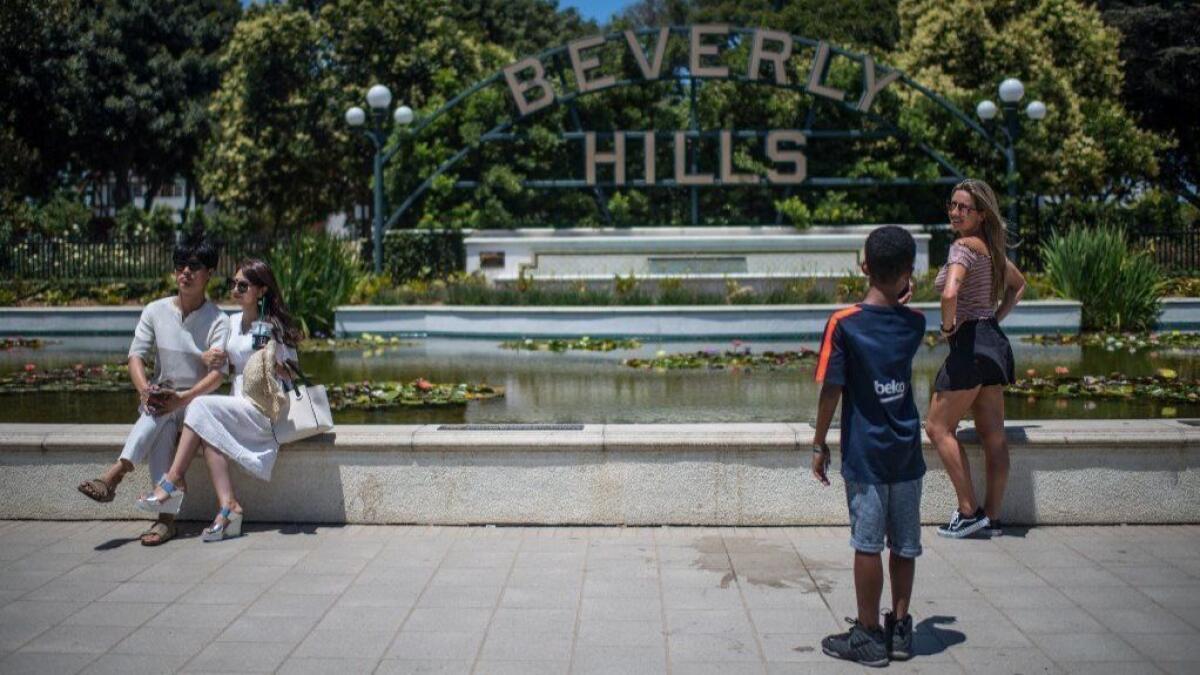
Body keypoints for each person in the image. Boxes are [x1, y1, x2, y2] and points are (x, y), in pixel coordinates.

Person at [812, 225, 926, 667]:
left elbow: (831, 390)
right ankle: (900, 629)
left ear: (864, 267)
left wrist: (819, 443)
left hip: (865, 454)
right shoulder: (914, 323)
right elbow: (901, 315)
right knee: (904, 544)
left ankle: (867, 635)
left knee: (867, 544)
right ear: (907, 273)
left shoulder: (844, 324)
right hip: (906, 452)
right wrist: (902, 294)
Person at [135, 258, 302, 542]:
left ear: (261, 291)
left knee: (199, 406)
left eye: (243, 285)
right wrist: (209, 356)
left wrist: (277, 364)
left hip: (262, 409)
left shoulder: (273, 326)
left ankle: (172, 480)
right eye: (233, 284)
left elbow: (291, 378)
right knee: (206, 425)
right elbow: (218, 361)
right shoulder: (231, 322)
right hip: (237, 402)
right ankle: (229, 507)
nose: (235, 289)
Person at [76, 238, 229, 546]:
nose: (185, 272)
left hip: (196, 402)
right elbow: (136, 356)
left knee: (163, 412)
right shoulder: (155, 310)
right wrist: (145, 389)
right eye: (179, 266)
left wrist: (181, 399)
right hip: (163, 400)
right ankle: (164, 521)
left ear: (209, 272)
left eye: (194, 266)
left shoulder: (219, 320)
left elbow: (217, 377)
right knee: (158, 413)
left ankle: (116, 474)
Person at [927, 179, 1026, 539]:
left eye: (963, 207)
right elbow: (1019, 285)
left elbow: (950, 292)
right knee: (993, 436)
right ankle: (993, 518)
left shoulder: (962, 249)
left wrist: (949, 327)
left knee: (937, 428)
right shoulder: (991, 249)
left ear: (981, 214)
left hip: (970, 344)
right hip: (993, 345)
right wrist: (994, 320)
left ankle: (968, 511)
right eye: (952, 205)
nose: (955, 212)